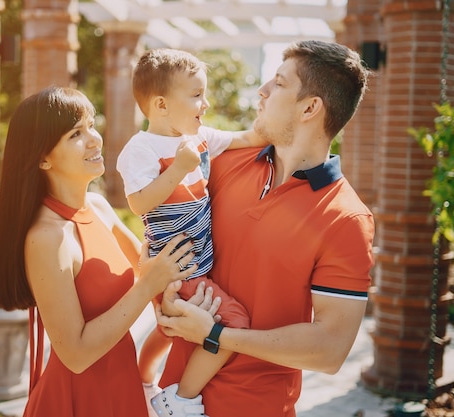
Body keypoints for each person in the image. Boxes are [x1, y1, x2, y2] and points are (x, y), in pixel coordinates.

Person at [155, 40, 375, 417]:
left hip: (256, 407)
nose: (262, 91)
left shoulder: (346, 219)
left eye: (279, 83)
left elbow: (329, 349)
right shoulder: (220, 163)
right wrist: (162, 293)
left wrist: (216, 335)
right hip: (172, 396)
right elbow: (161, 238)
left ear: (310, 107)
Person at [0, 86, 200, 417]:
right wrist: (147, 286)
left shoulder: (98, 207)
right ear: (43, 158)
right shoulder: (47, 237)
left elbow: (154, 267)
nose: (94, 139)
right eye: (76, 133)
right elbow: (74, 354)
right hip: (77, 400)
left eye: (91, 125)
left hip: (122, 386)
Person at [116, 48, 265, 417]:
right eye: (196, 94)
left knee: (167, 327)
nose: (206, 102)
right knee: (235, 323)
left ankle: (141, 375)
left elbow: (247, 138)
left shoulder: (199, 138)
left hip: (196, 265)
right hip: (182, 268)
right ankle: (180, 398)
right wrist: (179, 168)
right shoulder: (141, 148)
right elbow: (138, 204)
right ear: (162, 105)